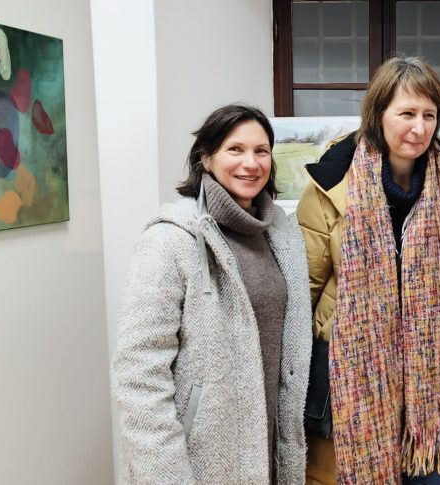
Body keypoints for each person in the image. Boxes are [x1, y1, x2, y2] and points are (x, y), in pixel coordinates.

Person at [297, 55, 440, 484]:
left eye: (429, 115)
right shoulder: (331, 184)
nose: (418, 128)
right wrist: (293, 379)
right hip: (354, 374)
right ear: (378, 114)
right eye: (406, 114)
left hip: (436, 381)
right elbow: (304, 288)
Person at [113, 104, 312, 484]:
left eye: (261, 151)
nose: (250, 163)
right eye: (235, 149)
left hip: (269, 451)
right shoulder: (170, 239)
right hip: (202, 462)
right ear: (205, 158)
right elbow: (139, 375)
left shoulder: (282, 236)